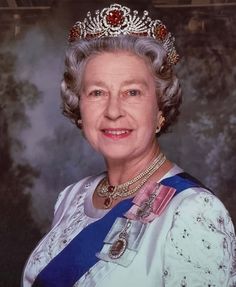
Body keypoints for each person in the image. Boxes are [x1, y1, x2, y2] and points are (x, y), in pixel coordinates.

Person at [22, 3, 236, 287]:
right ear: (79, 106)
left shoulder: (194, 211)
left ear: (160, 108)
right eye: (97, 92)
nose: (113, 111)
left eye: (132, 92)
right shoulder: (71, 197)